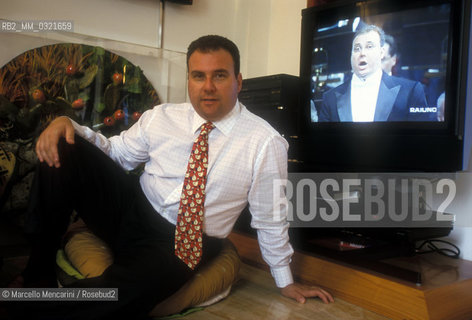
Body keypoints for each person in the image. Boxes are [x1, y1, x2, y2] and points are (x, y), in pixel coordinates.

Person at [7, 35, 333, 319]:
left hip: (182, 243)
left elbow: (270, 217)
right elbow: (116, 153)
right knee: (64, 145)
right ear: (188, 79)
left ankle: (25, 309)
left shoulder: (265, 142)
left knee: (122, 297)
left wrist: (285, 281)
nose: (207, 86)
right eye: (198, 75)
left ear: (239, 81)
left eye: (219, 75)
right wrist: (66, 123)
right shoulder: (162, 117)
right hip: (131, 209)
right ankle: (37, 273)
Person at [318, 24, 434, 122]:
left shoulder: (410, 91)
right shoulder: (330, 98)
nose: (362, 53)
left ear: (382, 52)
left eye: (369, 46)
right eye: (357, 48)